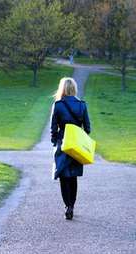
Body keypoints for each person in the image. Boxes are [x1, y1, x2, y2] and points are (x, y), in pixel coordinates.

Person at [51, 77, 91, 220]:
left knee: (63, 176)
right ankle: (72, 206)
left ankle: (67, 205)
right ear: (74, 88)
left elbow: (53, 128)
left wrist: (55, 142)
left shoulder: (58, 105)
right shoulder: (82, 105)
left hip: (62, 144)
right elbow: (88, 128)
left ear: (62, 88)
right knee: (73, 176)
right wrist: (79, 137)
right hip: (76, 145)